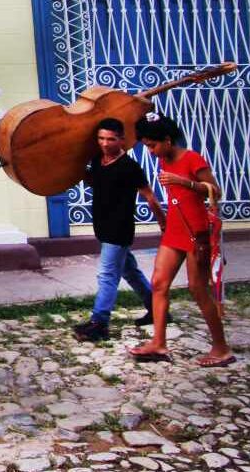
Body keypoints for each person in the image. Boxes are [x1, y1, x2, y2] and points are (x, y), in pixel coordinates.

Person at [128, 112, 234, 367]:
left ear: (167, 139)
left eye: (153, 145)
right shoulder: (163, 160)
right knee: (158, 282)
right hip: (175, 228)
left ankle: (221, 348)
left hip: (196, 231)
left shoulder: (192, 159)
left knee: (198, 289)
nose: (151, 151)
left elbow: (215, 192)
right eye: (147, 146)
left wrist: (185, 182)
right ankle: (159, 343)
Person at [73, 117, 165, 342]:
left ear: (122, 140)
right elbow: (97, 182)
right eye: (101, 138)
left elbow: (149, 196)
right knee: (130, 271)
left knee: (107, 275)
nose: (105, 143)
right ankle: (158, 310)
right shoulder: (97, 160)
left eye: (111, 139)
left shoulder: (129, 167)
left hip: (119, 229)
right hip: (102, 226)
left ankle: (99, 323)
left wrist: (164, 223)